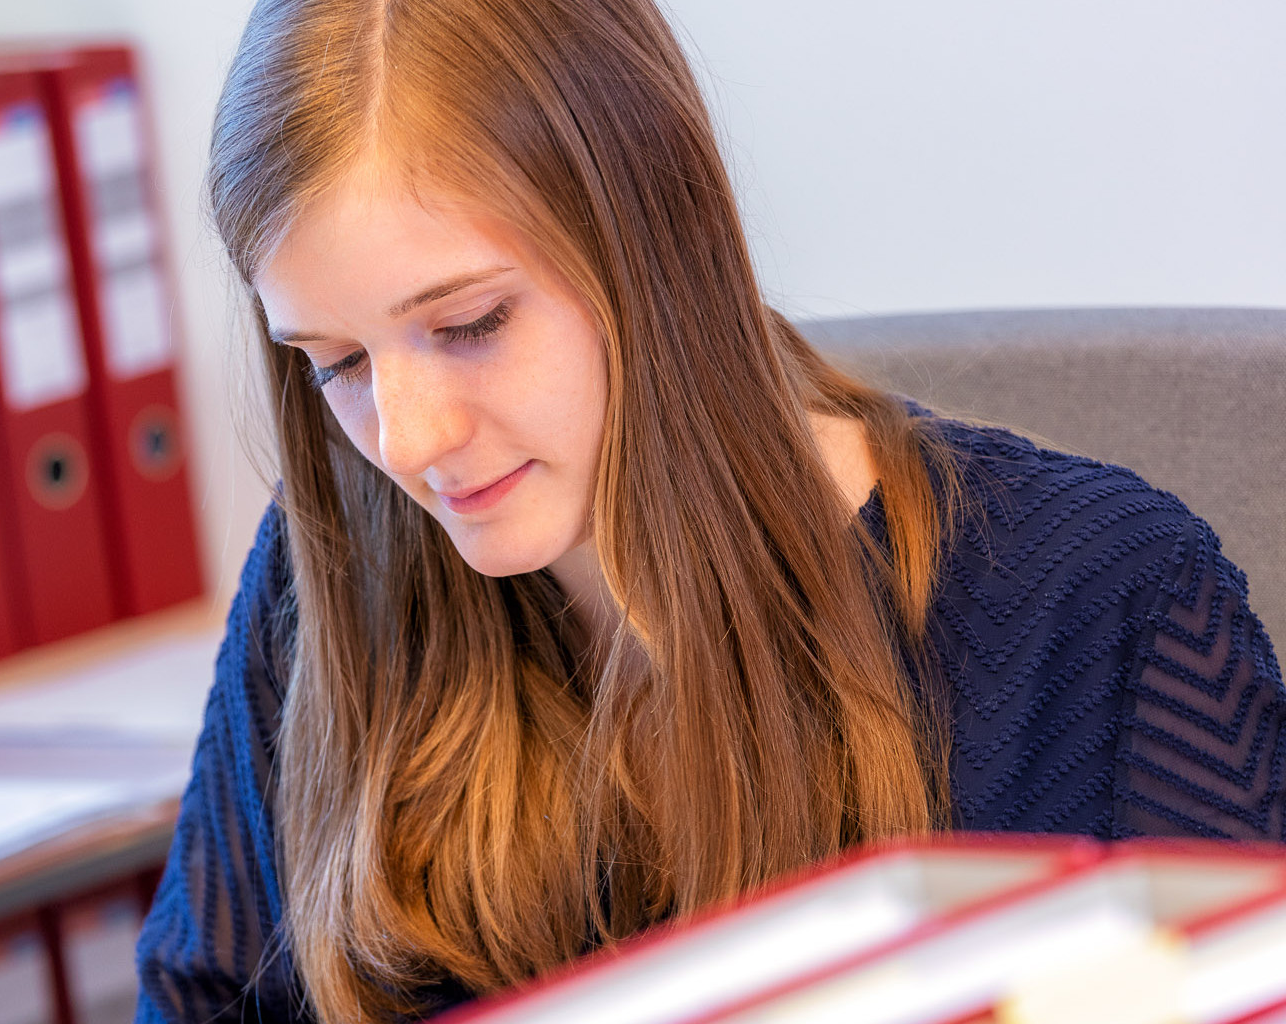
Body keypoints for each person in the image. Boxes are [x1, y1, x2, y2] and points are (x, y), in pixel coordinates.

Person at [135, 0, 1286, 1021]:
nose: (408, 439)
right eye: (335, 359)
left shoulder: (1098, 610)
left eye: (471, 323)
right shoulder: (330, 570)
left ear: (653, 249)